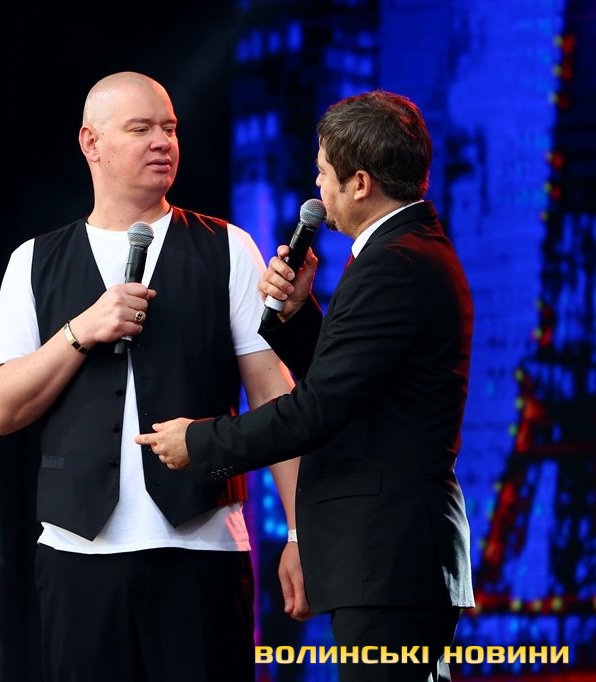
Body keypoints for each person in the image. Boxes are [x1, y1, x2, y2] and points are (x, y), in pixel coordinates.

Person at [137, 90, 475, 682]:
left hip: (389, 556)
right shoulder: (407, 251)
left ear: (360, 183)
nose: (316, 186)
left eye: (323, 172)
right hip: (393, 558)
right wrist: (297, 314)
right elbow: (358, 383)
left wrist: (201, 443)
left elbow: (318, 409)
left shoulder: (393, 263)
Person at [0, 71, 306, 682]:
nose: (163, 142)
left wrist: (298, 532)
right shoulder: (34, 261)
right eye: (141, 129)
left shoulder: (227, 247)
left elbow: (274, 394)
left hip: (202, 548)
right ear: (91, 143)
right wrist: (81, 331)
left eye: (170, 128)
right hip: (77, 554)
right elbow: (0, 409)